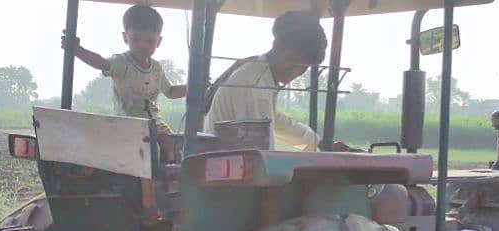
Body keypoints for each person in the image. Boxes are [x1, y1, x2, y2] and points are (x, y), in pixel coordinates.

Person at [204, 11, 349, 152]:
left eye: (304, 67)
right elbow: (261, 154)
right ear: (278, 46)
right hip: (225, 169)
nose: (297, 72)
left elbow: (275, 120)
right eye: (294, 62)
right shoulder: (254, 85)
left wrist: (319, 142)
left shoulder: (260, 73)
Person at [62, 4, 186, 162]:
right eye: (136, 39)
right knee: (149, 153)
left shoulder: (156, 68)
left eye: (149, 40)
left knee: (174, 149)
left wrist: (194, 87)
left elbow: (170, 92)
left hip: (155, 123)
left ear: (158, 41)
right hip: (130, 123)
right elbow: (100, 62)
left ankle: (166, 179)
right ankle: (148, 183)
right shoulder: (122, 63)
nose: (143, 45)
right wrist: (78, 50)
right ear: (125, 37)